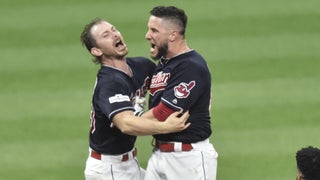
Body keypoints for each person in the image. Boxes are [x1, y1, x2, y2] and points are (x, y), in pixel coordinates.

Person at [80, 18, 190, 180]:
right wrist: (165, 127)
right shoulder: (109, 83)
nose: (115, 34)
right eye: (106, 35)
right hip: (108, 170)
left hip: (129, 164)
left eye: (114, 29)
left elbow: (174, 81)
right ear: (97, 51)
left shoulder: (141, 67)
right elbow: (125, 124)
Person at [142, 6, 218, 180]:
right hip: (160, 154)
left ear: (173, 35)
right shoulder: (165, 63)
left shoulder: (191, 65)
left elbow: (164, 113)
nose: (147, 35)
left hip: (187, 160)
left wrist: (128, 124)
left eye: (154, 30)